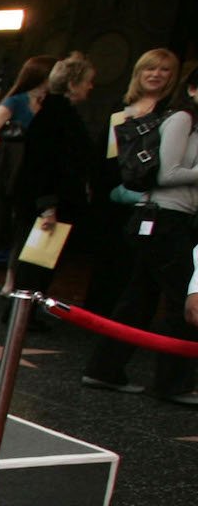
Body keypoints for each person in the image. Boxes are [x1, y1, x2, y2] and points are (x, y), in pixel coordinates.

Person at [83, 61, 198, 403]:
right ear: (191, 88)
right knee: (183, 301)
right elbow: (167, 173)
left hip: (169, 220)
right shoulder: (181, 119)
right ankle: (173, 384)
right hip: (163, 220)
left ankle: (104, 369)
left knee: (138, 300)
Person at [90, 48, 182, 315]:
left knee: (140, 267)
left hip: (151, 200)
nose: (155, 74)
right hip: (114, 197)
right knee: (109, 258)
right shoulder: (119, 107)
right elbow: (105, 155)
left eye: (163, 69)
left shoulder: (173, 111)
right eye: (149, 68)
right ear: (138, 72)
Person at [0, 54, 54, 312]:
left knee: (24, 233)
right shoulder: (15, 102)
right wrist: (14, 151)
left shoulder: (51, 106)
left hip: (31, 182)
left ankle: (11, 281)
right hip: (4, 179)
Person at [14, 51, 97, 300]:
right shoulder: (56, 116)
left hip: (52, 202)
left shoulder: (56, 112)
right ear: (73, 84)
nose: (90, 87)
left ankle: (29, 310)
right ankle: (24, 311)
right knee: (36, 262)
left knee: (42, 262)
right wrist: (47, 206)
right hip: (49, 204)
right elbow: (43, 163)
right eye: (87, 81)